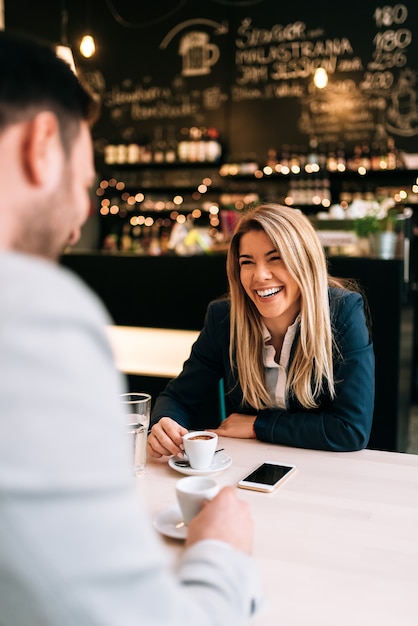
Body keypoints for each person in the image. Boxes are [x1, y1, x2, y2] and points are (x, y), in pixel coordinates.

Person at [0, 30, 261, 625]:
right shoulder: (34, 314)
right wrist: (221, 549)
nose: (82, 213)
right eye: (85, 181)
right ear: (43, 143)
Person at [148, 203, 375, 458]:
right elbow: (178, 398)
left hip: (324, 472)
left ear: (305, 260)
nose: (260, 275)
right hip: (247, 467)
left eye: (275, 258)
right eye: (247, 262)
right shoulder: (224, 319)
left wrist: (258, 425)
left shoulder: (342, 311)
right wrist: (164, 423)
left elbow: (350, 429)